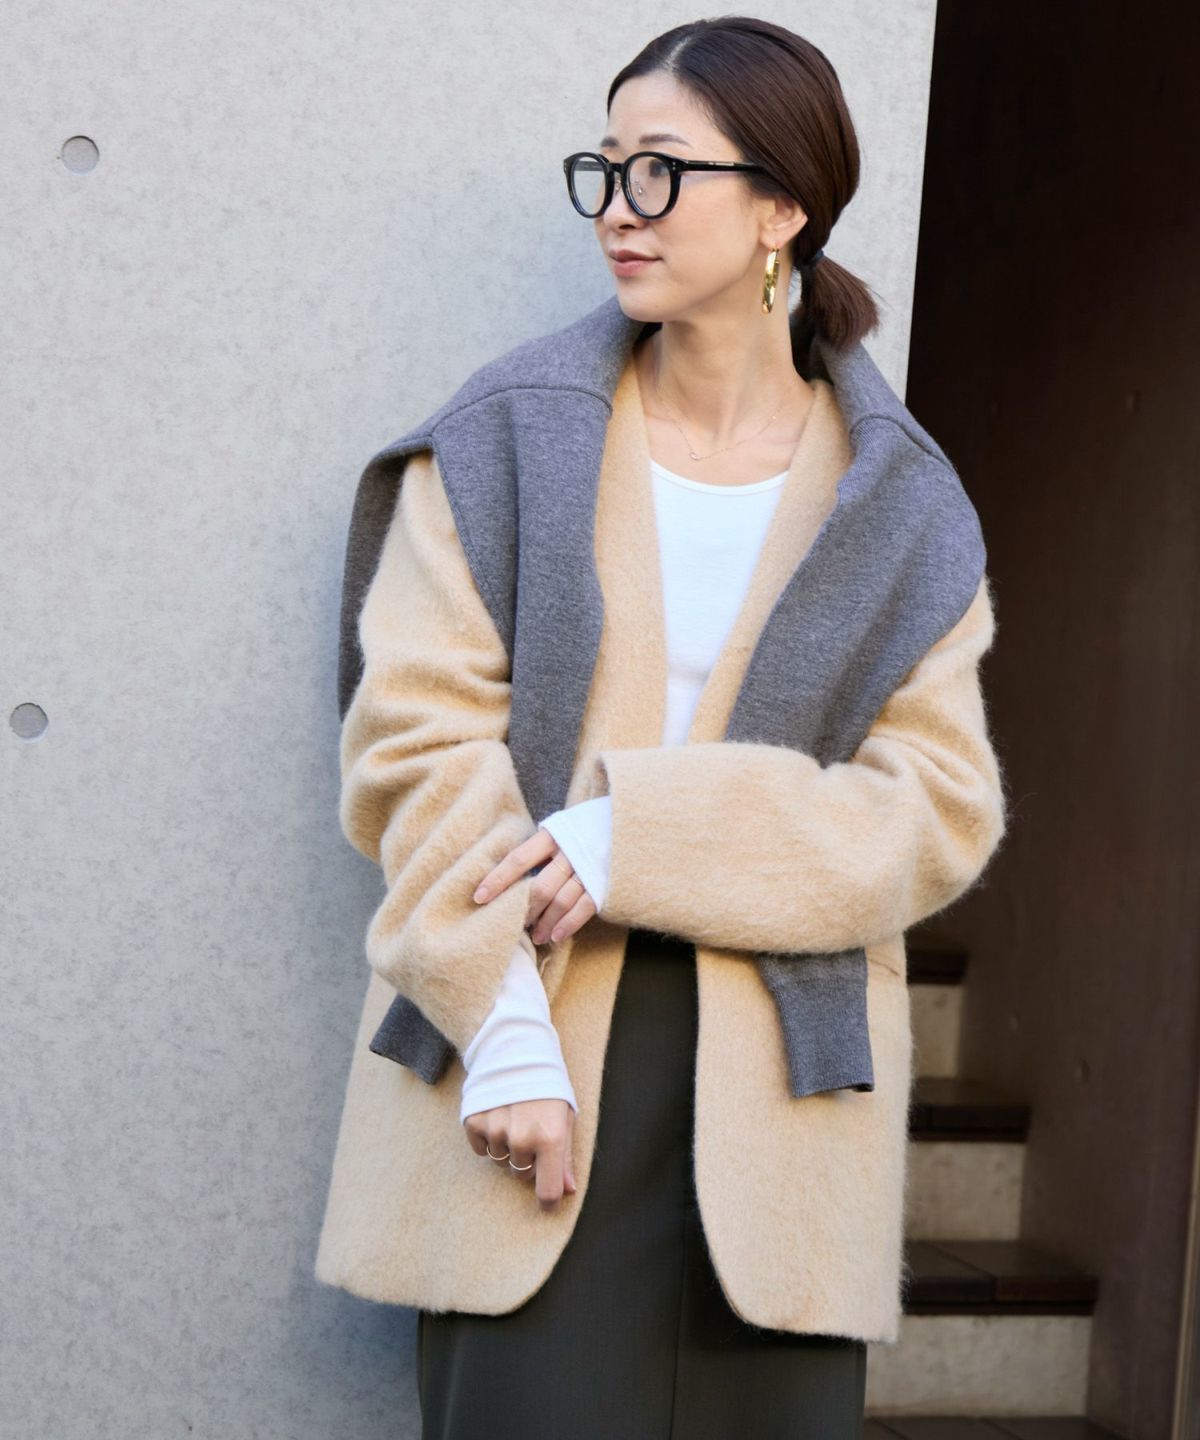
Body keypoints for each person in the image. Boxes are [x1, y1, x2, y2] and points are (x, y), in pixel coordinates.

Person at [314, 17, 1008, 1439]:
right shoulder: (509, 439)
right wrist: (503, 1026)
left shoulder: (900, 500)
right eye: (607, 167)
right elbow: (414, 744)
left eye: (662, 171)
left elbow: (937, 809)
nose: (619, 209)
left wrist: (639, 837)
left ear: (783, 207)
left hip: (785, 1096)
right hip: (533, 1043)